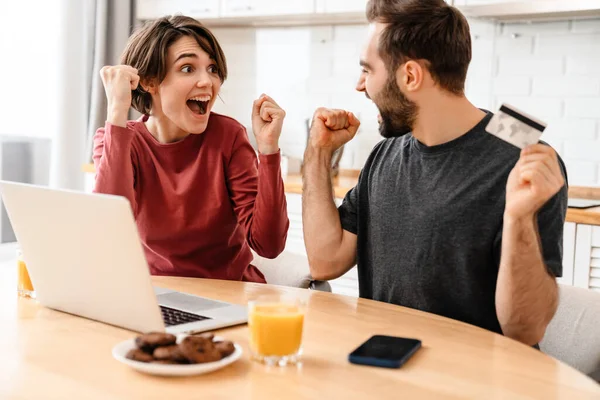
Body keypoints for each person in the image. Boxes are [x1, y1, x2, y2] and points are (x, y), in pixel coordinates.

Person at [302, 0, 568, 346]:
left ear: (410, 76)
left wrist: (519, 217)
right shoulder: (385, 155)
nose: (360, 85)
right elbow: (324, 262)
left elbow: (525, 329)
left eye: (368, 70)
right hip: (385, 368)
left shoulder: (525, 166)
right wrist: (319, 154)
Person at [93, 15, 289, 282]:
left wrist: (268, 152)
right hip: (155, 295)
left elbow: (269, 244)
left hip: (230, 294)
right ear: (150, 82)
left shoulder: (228, 137)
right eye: (188, 68)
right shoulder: (116, 139)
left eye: (212, 69)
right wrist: (116, 110)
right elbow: (108, 230)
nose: (207, 82)